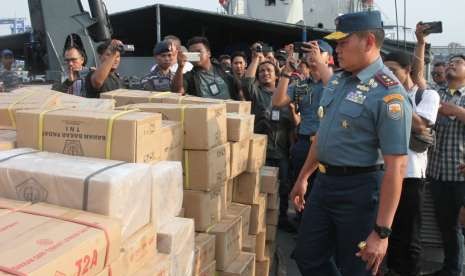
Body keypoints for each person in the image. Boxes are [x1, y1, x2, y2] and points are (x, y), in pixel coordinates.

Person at [290, 11, 412, 276]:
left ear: (368, 41)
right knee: (307, 255)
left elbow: (397, 167)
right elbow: (323, 135)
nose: (337, 49)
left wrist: (382, 232)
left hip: (360, 191)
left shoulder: (389, 93)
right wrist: (304, 177)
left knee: (357, 268)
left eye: (343, 42)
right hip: (324, 185)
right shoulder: (339, 80)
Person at [383, 50, 440, 276]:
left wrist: (396, 94)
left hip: (411, 176)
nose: (389, 75)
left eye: (393, 71)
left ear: (408, 70)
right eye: (385, 70)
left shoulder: (427, 96)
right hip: (384, 172)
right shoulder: (383, 94)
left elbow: (420, 125)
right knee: (385, 230)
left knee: (410, 235)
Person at [272, 39, 333, 232]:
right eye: (308, 51)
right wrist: (287, 71)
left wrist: (320, 65)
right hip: (305, 143)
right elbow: (278, 101)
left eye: (317, 51)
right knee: (300, 190)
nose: (311, 54)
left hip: (328, 147)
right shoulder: (303, 86)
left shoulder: (336, 81)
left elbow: (335, 89)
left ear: (328, 58)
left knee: (324, 193)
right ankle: (303, 229)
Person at [242, 44, 292, 229]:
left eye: (269, 70)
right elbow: (247, 82)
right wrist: (256, 59)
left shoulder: (287, 93)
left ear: (277, 74)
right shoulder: (256, 93)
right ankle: (261, 219)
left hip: (282, 149)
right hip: (262, 150)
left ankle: (283, 219)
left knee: (284, 185)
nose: (265, 73)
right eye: (261, 71)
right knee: (261, 186)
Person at [425, 54, 465, 276]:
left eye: (458, 62)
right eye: (449, 62)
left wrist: (458, 112)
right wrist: (421, 43)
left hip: (461, 175)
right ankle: (451, 268)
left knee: (460, 226)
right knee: (447, 226)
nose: (451, 64)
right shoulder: (436, 94)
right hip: (438, 172)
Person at [173, 36, 242, 100]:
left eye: (199, 51)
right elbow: (177, 93)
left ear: (209, 53)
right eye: (192, 53)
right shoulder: (189, 77)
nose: (196, 55)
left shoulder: (223, 70)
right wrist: (180, 67)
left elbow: (240, 90)